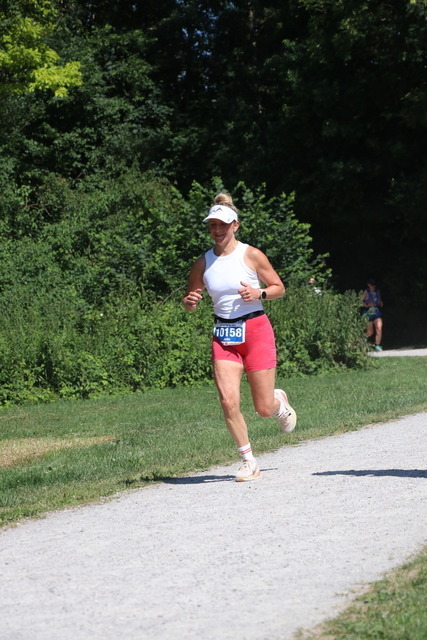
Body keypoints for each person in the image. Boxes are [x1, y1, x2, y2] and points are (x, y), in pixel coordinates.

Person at [182, 192, 297, 482]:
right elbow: (190, 298)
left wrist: (259, 293)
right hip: (223, 336)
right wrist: (190, 302)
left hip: (256, 331)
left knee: (263, 408)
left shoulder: (251, 255)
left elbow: (279, 288)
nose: (217, 230)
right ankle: (248, 461)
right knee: (228, 401)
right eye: (212, 225)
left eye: (223, 224)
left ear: (235, 225)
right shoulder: (203, 262)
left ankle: (278, 402)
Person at [361, 278, 384, 351]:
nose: (373, 286)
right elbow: (360, 302)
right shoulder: (366, 292)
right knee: (370, 332)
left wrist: (381, 303)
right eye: (372, 285)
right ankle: (361, 342)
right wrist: (367, 304)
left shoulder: (377, 291)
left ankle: (377, 345)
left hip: (376, 311)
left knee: (379, 328)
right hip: (368, 312)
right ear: (369, 285)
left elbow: (379, 300)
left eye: (374, 285)